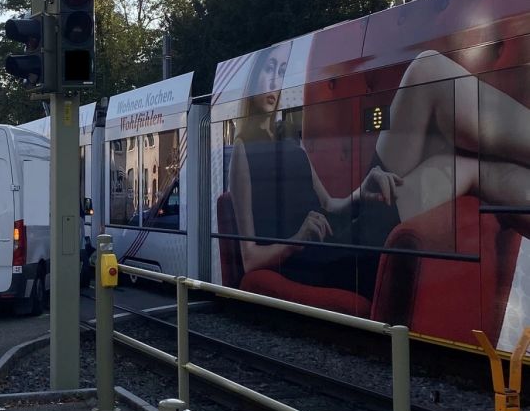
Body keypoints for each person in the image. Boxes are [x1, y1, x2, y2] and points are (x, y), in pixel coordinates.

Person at [227, 41, 530, 299]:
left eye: (280, 73)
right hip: (326, 260)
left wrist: (364, 188)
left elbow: (331, 205)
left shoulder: (293, 140)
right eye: (268, 71)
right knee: (465, 163)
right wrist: (298, 238)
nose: (274, 83)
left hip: (349, 230)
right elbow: (250, 259)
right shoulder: (242, 150)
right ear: (253, 83)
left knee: (429, 72)